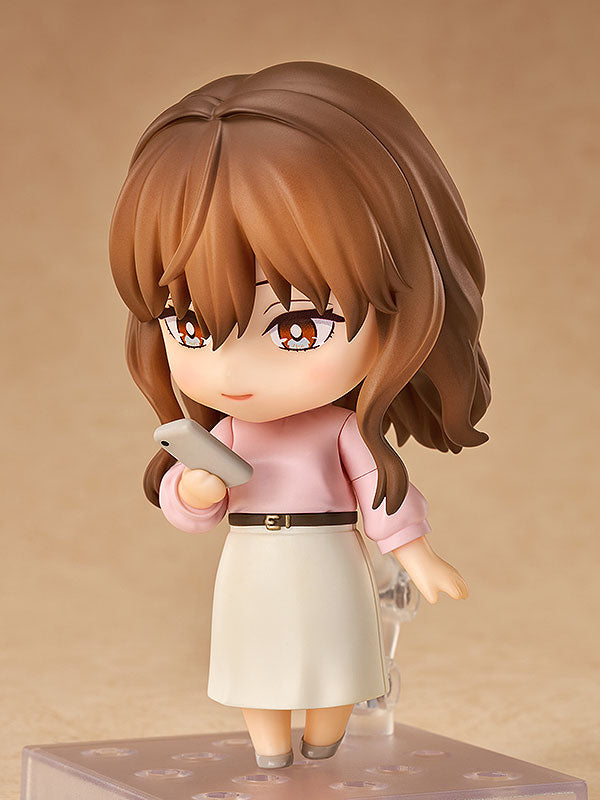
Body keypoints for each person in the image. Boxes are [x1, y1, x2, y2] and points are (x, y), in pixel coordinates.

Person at [109, 61, 490, 769]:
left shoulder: (340, 431)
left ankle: (323, 743)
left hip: (328, 555)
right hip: (252, 559)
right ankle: (269, 755)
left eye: (297, 327)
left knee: (335, 654)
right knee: (255, 659)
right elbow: (188, 505)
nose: (231, 369)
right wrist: (197, 489)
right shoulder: (224, 433)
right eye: (188, 325)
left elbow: (378, 489)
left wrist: (415, 551)